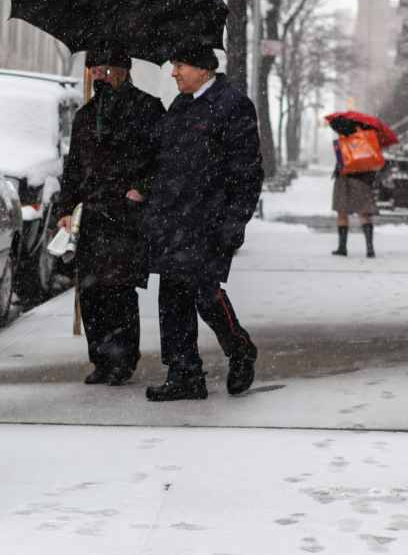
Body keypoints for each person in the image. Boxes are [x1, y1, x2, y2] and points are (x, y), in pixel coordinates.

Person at [144, 42, 264, 402]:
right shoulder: (180, 106)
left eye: (179, 64)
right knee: (172, 298)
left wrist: (234, 221)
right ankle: (184, 374)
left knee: (205, 294)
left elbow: (248, 173)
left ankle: (240, 349)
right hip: (173, 221)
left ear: (203, 69)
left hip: (210, 222)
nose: (174, 72)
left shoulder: (233, 106)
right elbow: (164, 161)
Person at [58, 45, 164, 386]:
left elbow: (162, 159)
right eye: (94, 68)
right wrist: (65, 207)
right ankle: (100, 359)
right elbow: (73, 166)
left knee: (119, 290)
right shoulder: (86, 116)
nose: (100, 74)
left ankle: (123, 360)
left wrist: (142, 189)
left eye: (107, 68)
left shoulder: (147, 109)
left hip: (126, 215)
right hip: (92, 215)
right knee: (91, 291)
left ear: (123, 70)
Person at [331, 131, 379, 257]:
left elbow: (340, 162)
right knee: (364, 213)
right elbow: (373, 165)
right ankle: (370, 249)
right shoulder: (368, 144)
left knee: (342, 213)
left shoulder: (341, 143)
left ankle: (342, 248)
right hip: (361, 181)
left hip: (344, 180)